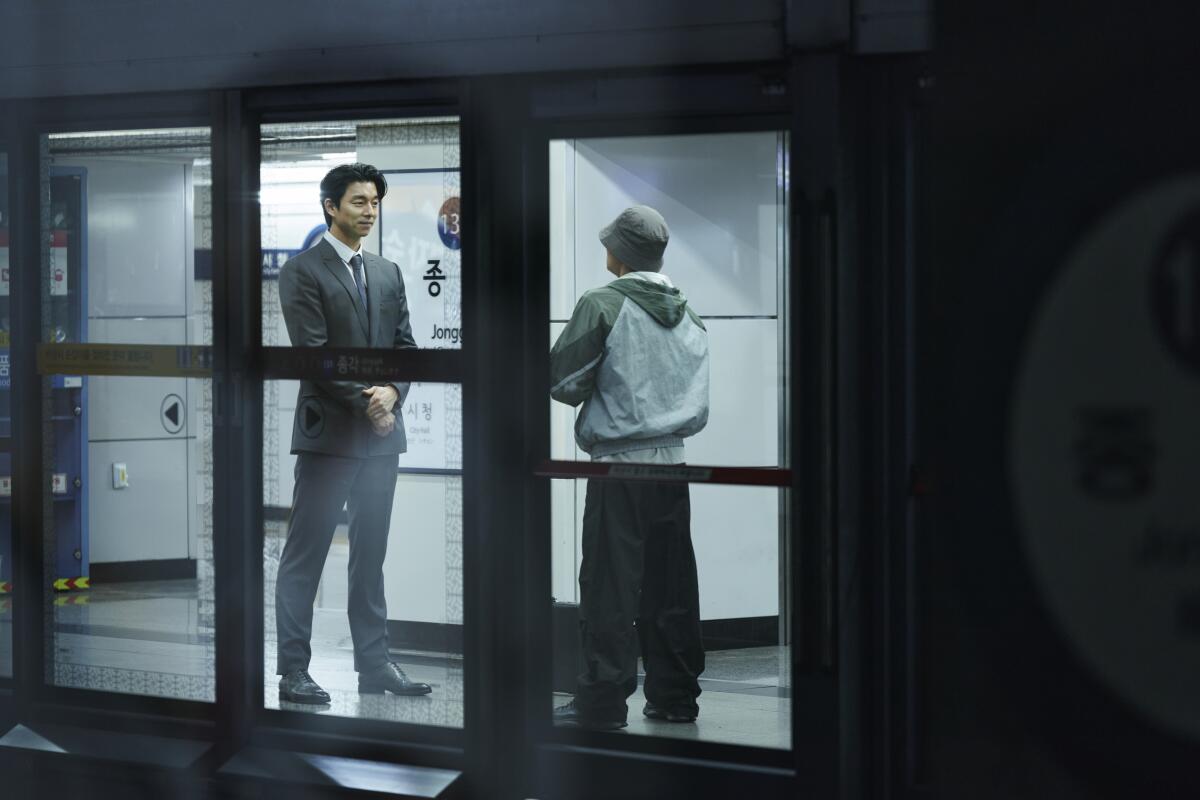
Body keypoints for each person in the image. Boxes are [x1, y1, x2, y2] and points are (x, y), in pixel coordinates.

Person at [275, 162, 431, 704]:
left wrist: (393, 394)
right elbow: (315, 355)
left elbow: (406, 348)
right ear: (331, 207)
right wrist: (372, 403)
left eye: (374, 202)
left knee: (371, 555)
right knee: (307, 553)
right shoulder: (303, 271)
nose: (369, 212)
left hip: (381, 438)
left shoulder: (386, 272)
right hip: (330, 437)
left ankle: (375, 664)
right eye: (358, 202)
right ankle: (293, 670)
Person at [549, 205, 710, 730]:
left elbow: (562, 380)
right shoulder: (689, 311)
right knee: (672, 587)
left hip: (619, 469)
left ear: (619, 253)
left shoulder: (602, 303)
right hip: (675, 466)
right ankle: (676, 697)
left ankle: (602, 703)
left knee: (610, 586)